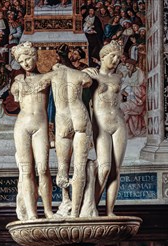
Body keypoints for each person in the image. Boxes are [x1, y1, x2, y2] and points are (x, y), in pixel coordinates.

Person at [83, 40, 127, 216]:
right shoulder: (91, 76)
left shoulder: (118, 78)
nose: (115, 60)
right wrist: (84, 72)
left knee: (116, 169)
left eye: (118, 57)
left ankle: (109, 212)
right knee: (104, 167)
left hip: (118, 123)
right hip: (100, 124)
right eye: (112, 56)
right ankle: (90, 207)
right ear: (102, 57)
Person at [10, 41, 53, 221]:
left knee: (43, 168)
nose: (26, 63)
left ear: (35, 57)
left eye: (28, 58)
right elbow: (14, 97)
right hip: (22, 126)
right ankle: (33, 214)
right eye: (22, 60)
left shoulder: (47, 78)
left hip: (40, 125)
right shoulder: (18, 82)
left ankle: (49, 211)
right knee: (26, 171)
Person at [50, 53, 94, 217]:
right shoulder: (80, 74)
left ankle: (65, 201)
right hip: (80, 116)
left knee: (63, 168)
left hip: (63, 120)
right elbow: (88, 82)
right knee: (79, 167)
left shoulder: (52, 75)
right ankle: (76, 212)